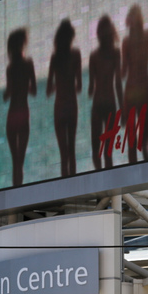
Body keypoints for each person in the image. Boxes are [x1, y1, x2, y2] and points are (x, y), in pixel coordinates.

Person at [46, 18, 82, 179]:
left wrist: (57, 85)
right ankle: (73, 183)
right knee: (72, 149)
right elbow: (79, 84)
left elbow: (48, 88)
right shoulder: (76, 54)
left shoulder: (55, 57)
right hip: (71, 104)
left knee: (63, 154)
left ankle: (64, 181)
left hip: (59, 106)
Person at [87, 14, 122, 171]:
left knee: (98, 148)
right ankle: (104, 176)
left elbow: (90, 87)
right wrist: (122, 108)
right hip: (108, 104)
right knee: (106, 150)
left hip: (100, 103)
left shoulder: (95, 56)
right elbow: (118, 83)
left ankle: (99, 175)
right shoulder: (114, 54)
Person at [3, 28, 37, 188]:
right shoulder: (28, 64)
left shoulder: (10, 67)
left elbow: (7, 94)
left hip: (12, 115)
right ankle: (19, 189)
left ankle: (14, 189)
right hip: (23, 113)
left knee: (14, 160)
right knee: (20, 162)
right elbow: (34, 90)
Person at [121, 4, 148, 163]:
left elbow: (123, 71)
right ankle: (145, 159)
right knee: (144, 133)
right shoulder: (147, 36)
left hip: (131, 91)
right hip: (143, 88)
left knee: (132, 135)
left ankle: (134, 165)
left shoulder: (126, 42)